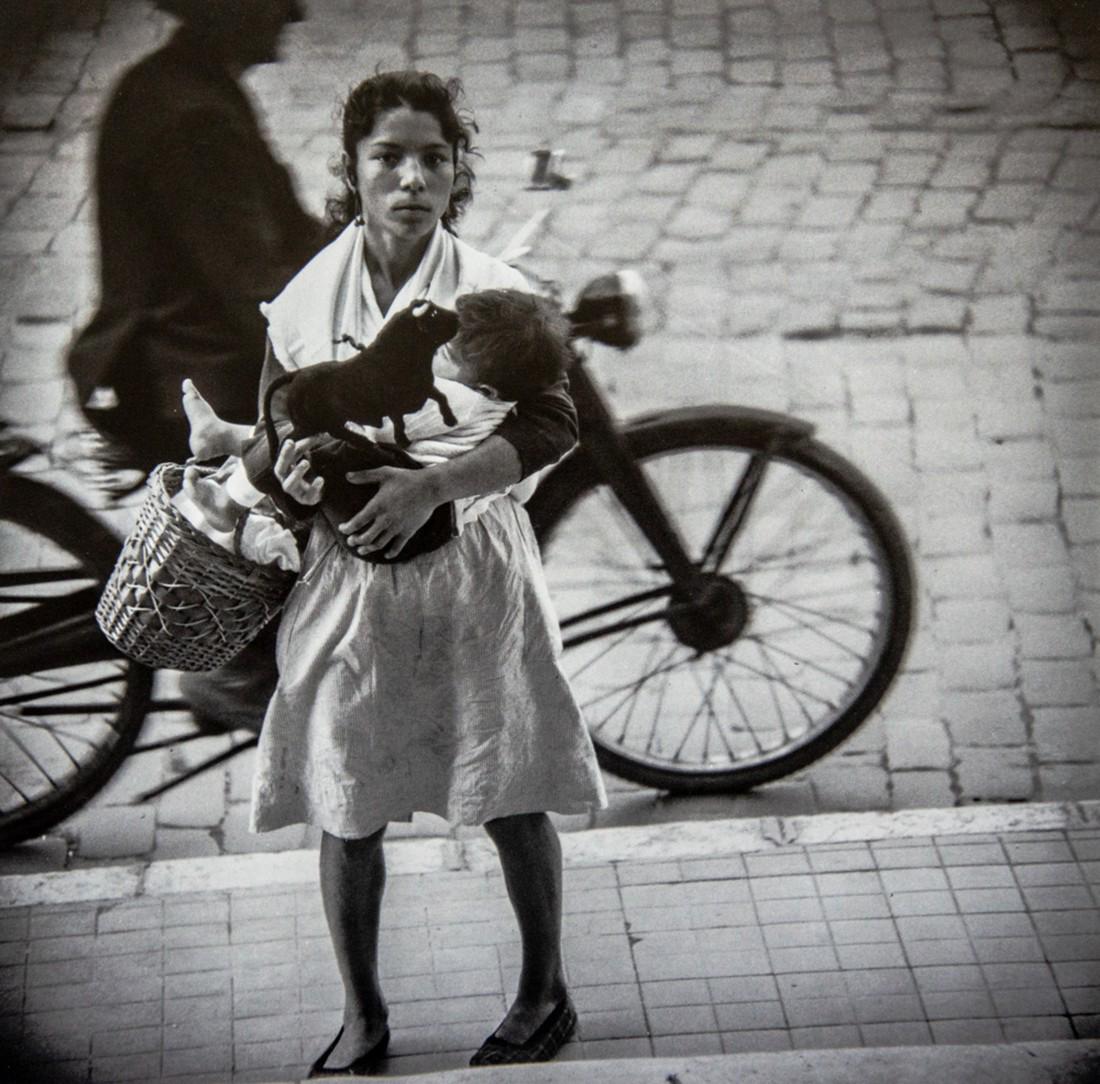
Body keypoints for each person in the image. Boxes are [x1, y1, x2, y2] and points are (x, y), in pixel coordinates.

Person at [245, 70, 608, 1076]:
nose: (411, 177)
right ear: (353, 173)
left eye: (432, 159)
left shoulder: (491, 291)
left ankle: (543, 993)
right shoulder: (305, 299)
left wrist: (435, 484)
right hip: (351, 580)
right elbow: (278, 423)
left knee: (507, 780)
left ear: (456, 175)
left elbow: (551, 422)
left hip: (472, 577)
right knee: (345, 793)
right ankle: (362, 1015)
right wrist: (297, 466)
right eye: (387, 158)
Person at [67, 0, 325, 474]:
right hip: (192, 379)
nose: (293, 15)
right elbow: (257, 291)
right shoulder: (194, 117)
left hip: (195, 348)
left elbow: (289, 233)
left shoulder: (180, 82)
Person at [179, 287, 571, 551]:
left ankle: (227, 501)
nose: (434, 356)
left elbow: (374, 430)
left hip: (389, 519)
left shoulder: (459, 401)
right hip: (413, 517)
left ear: (486, 390)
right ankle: (231, 440)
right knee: (305, 444)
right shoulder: (500, 399)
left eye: (446, 357)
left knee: (304, 440)